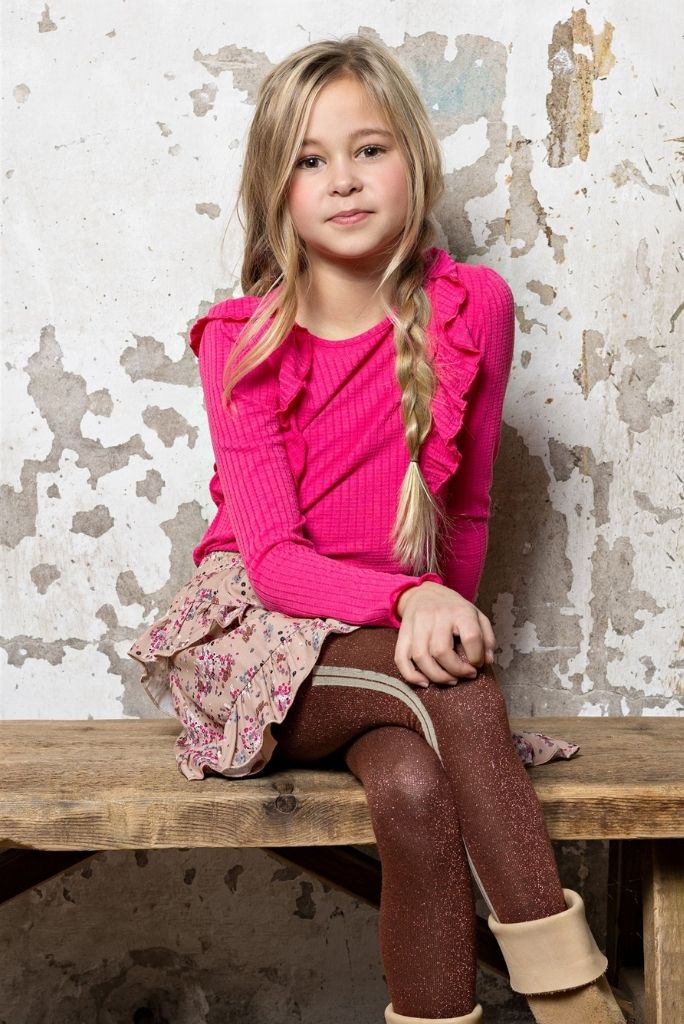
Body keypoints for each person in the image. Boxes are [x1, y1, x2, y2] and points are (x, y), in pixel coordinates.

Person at [128, 34, 626, 1024]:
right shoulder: (243, 340)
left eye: (370, 149)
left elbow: (469, 507)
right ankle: (578, 1002)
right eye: (310, 160)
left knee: (410, 788)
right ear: (277, 187)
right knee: (456, 689)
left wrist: (435, 611)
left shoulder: (469, 306)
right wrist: (411, 601)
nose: (344, 181)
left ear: (414, 160)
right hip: (264, 645)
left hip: (382, 654)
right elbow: (271, 566)